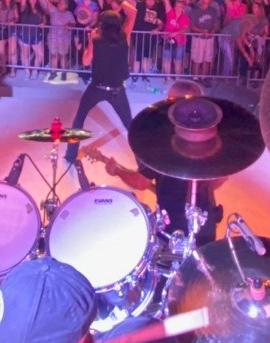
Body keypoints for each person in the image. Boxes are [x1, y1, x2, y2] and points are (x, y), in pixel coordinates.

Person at [90, 79, 224, 244]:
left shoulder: (161, 141)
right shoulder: (210, 140)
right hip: (205, 224)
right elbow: (220, 179)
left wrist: (117, 171)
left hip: (172, 229)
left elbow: (140, 183)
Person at [64, 11, 133, 165]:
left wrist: (89, 41)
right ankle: (144, 159)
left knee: (79, 118)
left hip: (97, 88)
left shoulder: (96, 39)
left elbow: (86, 61)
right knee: (130, 124)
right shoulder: (124, 37)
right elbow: (132, 13)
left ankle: (70, 155)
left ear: (102, 24)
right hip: (117, 90)